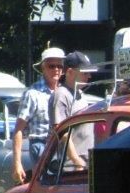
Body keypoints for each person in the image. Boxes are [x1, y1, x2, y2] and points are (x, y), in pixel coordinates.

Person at [11, 46, 63, 184]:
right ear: (43, 68)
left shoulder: (63, 93)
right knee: (45, 190)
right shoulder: (32, 94)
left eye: (59, 66)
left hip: (62, 146)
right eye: (52, 66)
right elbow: (18, 130)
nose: (56, 69)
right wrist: (17, 163)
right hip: (41, 146)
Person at [49, 51, 96, 170]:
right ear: (70, 72)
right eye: (85, 73)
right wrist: (76, 160)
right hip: (70, 166)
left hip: (85, 161)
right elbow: (61, 131)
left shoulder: (80, 94)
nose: (89, 76)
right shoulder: (61, 95)